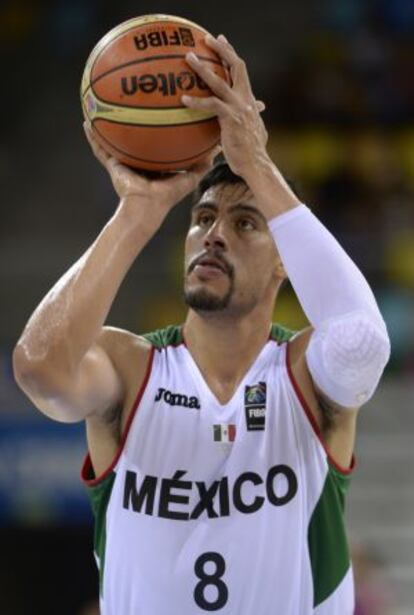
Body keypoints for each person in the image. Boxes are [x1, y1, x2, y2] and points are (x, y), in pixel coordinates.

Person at [13, 33, 390, 615]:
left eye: (246, 224)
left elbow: (363, 340)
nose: (214, 233)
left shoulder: (305, 375)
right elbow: (39, 370)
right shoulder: (129, 368)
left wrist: (255, 164)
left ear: (285, 260)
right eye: (205, 217)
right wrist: (137, 213)